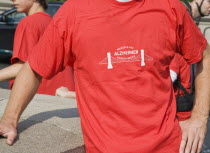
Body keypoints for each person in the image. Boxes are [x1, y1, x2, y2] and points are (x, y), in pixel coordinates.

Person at [0, 0, 210, 153]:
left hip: (168, 147)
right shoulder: (75, 11)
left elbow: (204, 56)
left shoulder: (169, 6)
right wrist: (9, 120)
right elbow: (34, 68)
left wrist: (199, 119)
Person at [0, 0, 75, 96]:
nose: (13, 0)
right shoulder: (53, 22)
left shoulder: (29, 23)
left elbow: (24, 66)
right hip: (62, 94)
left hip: (38, 94)